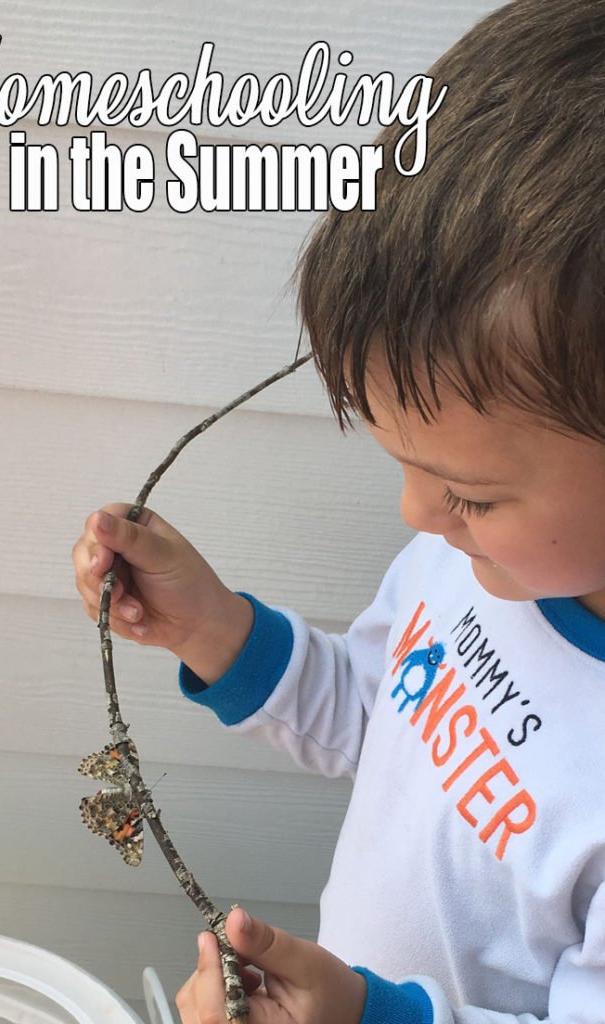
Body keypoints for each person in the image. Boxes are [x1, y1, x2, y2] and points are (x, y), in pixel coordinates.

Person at [72, 0, 605, 1020]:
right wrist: (215, 631)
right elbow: (382, 712)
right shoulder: (478, 562)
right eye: (402, 465)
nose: (414, 514)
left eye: (468, 493)